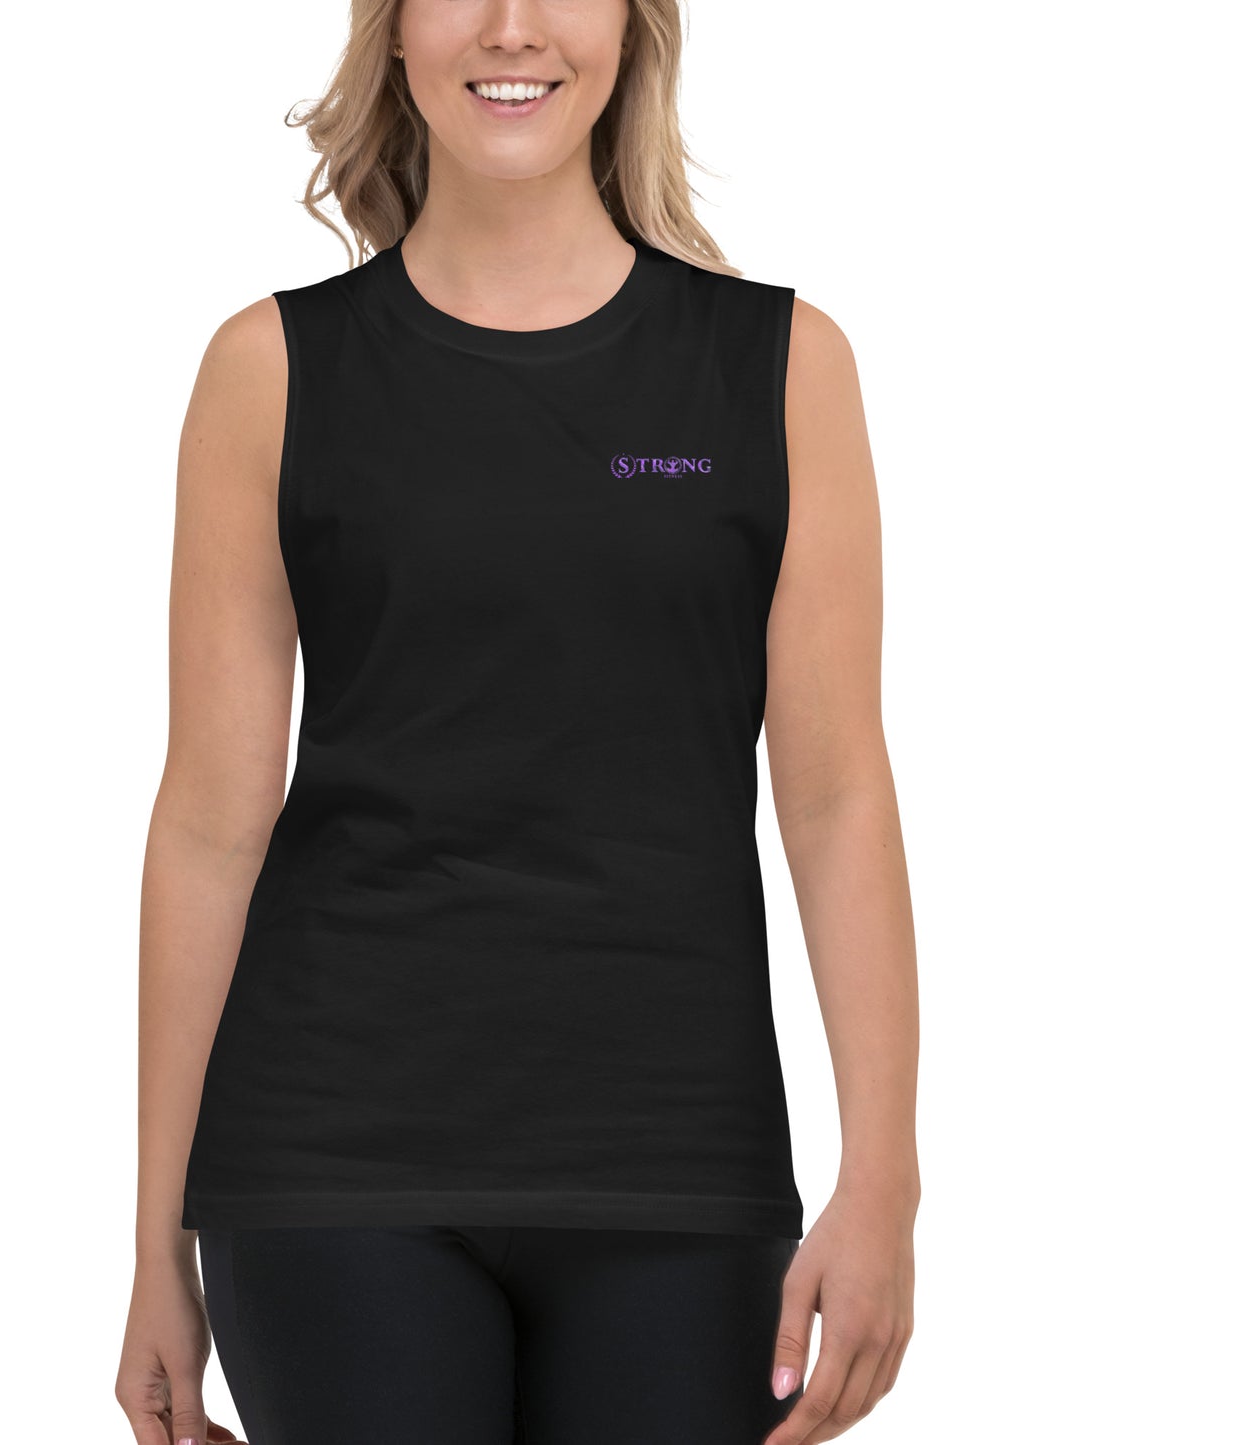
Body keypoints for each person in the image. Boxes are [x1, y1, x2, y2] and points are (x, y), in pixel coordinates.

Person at [114, 1, 919, 1442]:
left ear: (632, 26)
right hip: (327, 1172)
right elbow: (209, 827)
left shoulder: (781, 369)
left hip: (679, 1168)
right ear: (393, 31)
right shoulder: (271, 371)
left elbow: (836, 795)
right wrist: (154, 1250)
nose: (511, 28)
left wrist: (884, 1183)